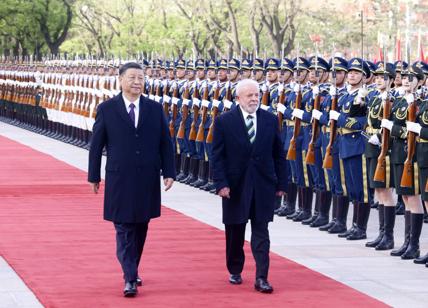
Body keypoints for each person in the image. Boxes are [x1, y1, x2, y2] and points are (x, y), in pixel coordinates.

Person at [88, 62, 175, 297]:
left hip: (147, 177)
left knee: (141, 226)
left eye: (141, 78)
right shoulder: (107, 109)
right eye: (132, 78)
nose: (137, 82)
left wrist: (169, 172)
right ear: (120, 80)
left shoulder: (155, 109)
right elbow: (96, 145)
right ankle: (129, 277)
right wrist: (93, 175)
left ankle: (132, 268)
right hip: (120, 178)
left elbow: (165, 143)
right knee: (124, 227)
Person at [212, 78, 287, 293]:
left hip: (263, 184)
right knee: (235, 230)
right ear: (238, 99)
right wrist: (221, 184)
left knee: (261, 231)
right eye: (249, 96)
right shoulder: (224, 121)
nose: (255, 99)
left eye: (257, 95)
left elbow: (278, 154)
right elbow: (217, 157)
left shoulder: (270, 120)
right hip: (235, 185)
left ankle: (261, 277)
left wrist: (281, 183)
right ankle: (235, 268)